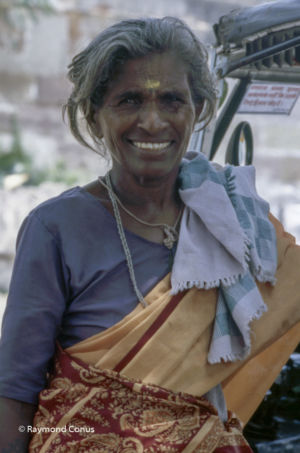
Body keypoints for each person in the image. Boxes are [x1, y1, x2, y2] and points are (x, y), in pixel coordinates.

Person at [0, 16, 299, 453]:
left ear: (199, 109)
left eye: (172, 100)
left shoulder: (237, 222)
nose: (153, 122)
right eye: (130, 100)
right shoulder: (56, 229)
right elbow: (14, 393)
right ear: (94, 114)